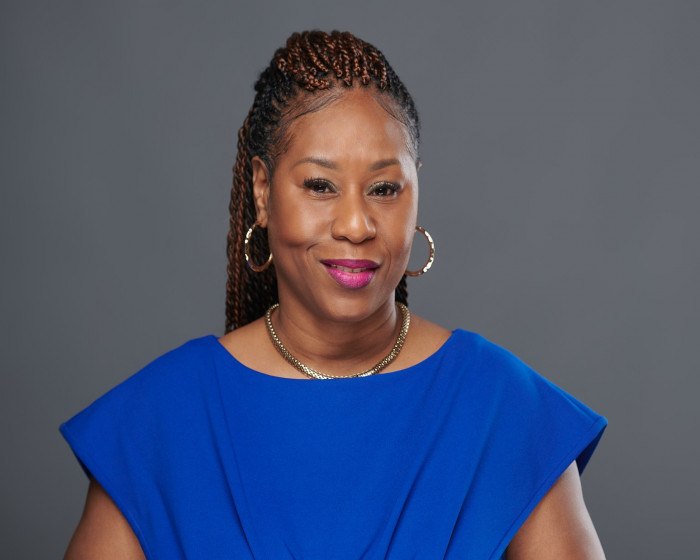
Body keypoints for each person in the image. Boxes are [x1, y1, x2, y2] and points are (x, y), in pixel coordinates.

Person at [61, 30, 607, 559]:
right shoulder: (158, 419)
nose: (355, 225)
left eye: (384, 189)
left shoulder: (504, 409)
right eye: (320, 186)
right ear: (262, 191)